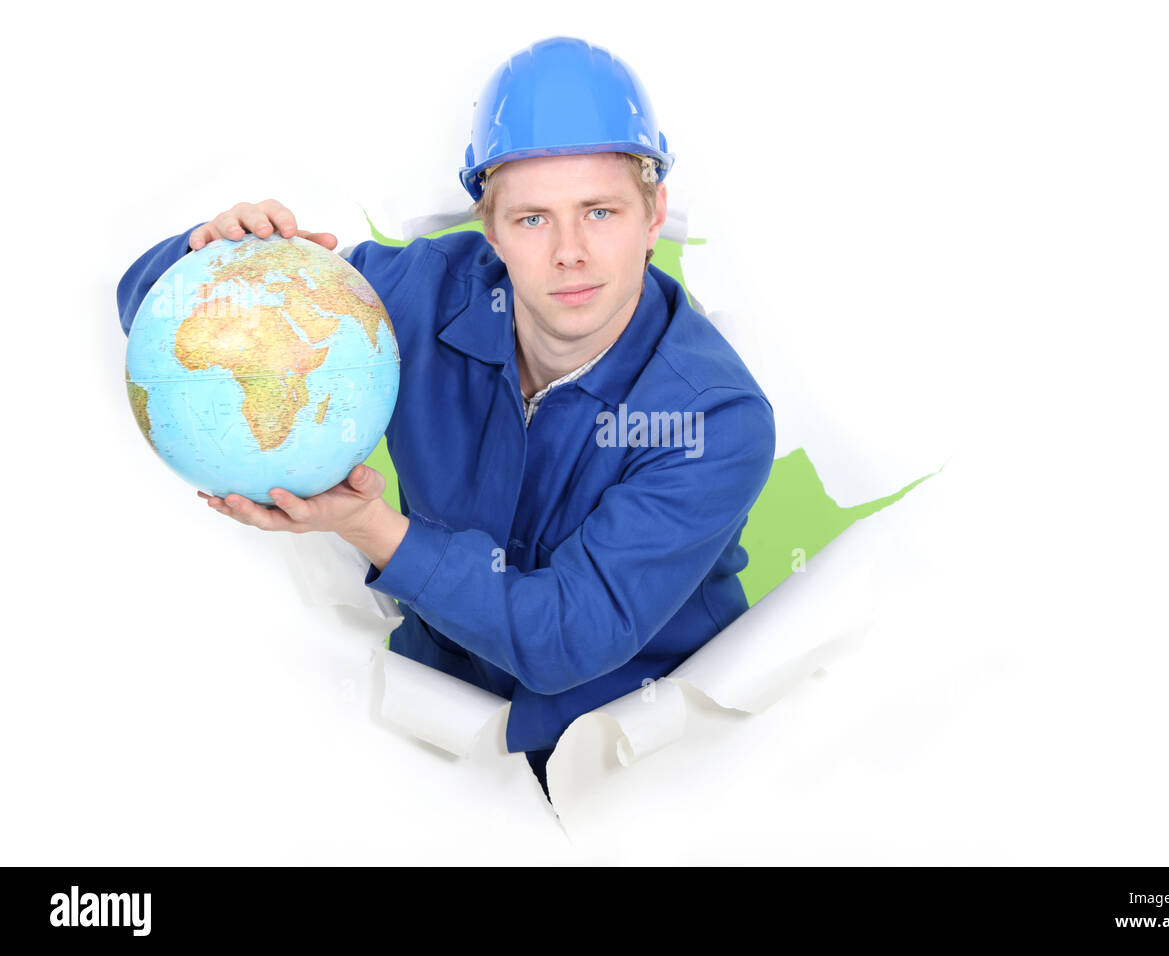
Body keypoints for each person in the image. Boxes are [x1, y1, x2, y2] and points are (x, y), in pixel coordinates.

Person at [115, 36, 775, 806]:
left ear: (653, 213)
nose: (570, 252)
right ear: (489, 228)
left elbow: (565, 636)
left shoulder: (714, 419)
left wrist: (371, 529)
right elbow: (151, 305)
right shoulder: (427, 292)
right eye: (532, 219)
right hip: (442, 715)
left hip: (637, 752)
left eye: (600, 211)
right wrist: (217, 251)